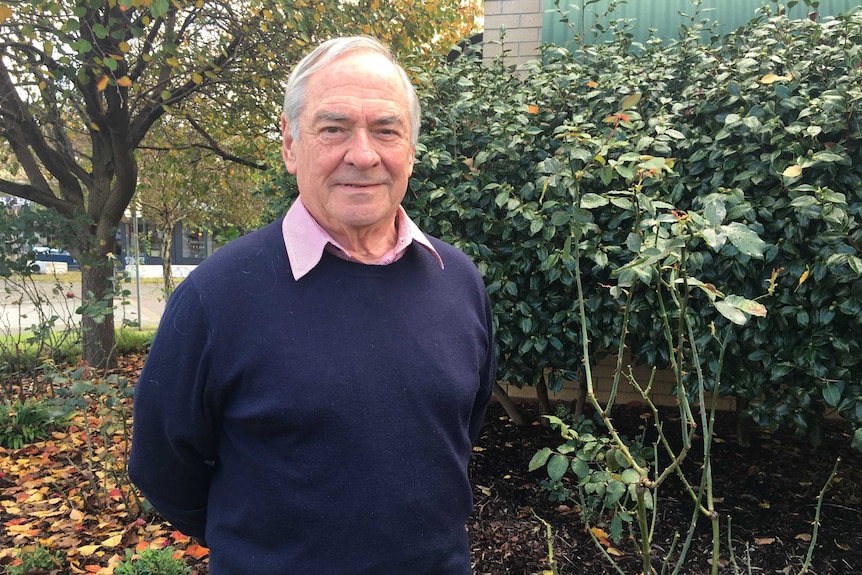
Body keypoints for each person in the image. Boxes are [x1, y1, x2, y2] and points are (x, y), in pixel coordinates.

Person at [128, 36, 496, 574]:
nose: (364, 154)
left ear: (410, 151)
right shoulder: (215, 296)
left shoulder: (458, 280)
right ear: (290, 144)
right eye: (334, 128)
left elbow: (461, 431)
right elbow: (164, 469)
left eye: (386, 130)